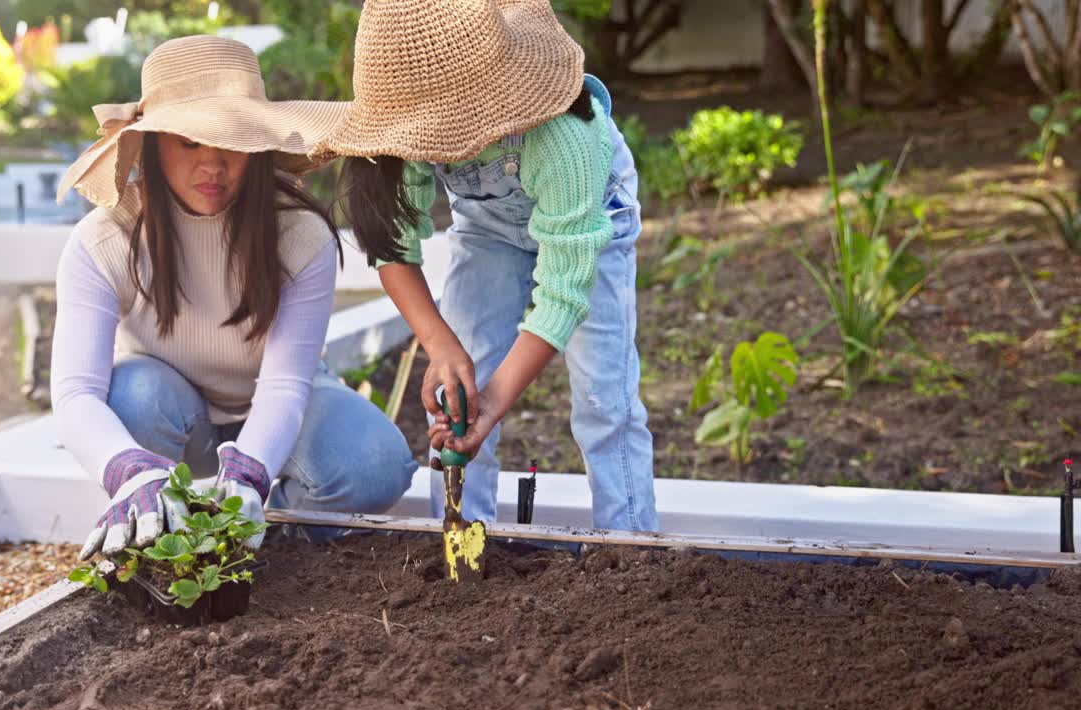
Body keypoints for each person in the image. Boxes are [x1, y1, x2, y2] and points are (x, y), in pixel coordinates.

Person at [52, 36, 417, 561]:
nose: (214, 165)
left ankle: (266, 535)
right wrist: (127, 471)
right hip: (176, 413)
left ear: (258, 144)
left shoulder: (300, 236)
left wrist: (250, 474)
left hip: (282, 408)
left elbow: (286, 384)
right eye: (190, 142)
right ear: (153, 145)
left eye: (232, 140)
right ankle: (158, 521)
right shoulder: (103, 241)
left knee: (373, 464)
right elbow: (75, 394)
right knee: (132, 397)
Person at [316, 0, 657, 531]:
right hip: (487, 228)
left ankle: (630, 544)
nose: (433, 148)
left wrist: (496, 400)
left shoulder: (566, 134)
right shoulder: (406, 131)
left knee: (603, 398)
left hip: (590, 223)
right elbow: (391, 248)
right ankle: (461, 533)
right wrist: (441, 346)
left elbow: (563, 293)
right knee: (456, 394)